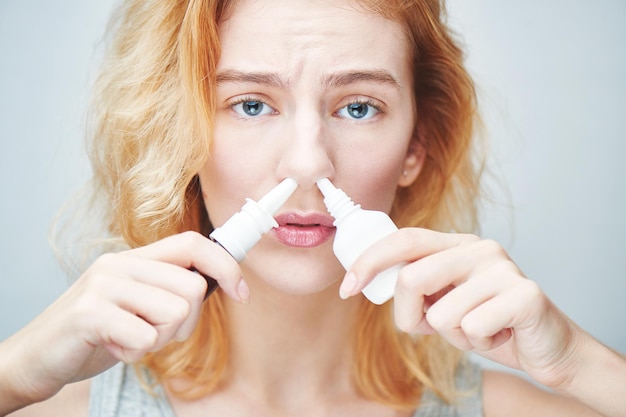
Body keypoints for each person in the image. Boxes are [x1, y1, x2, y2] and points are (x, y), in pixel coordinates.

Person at [1, 0, 624, 415]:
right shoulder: (58, 403)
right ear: (181, 132)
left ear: (416, 146)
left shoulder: (519, 409)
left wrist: (580, 365)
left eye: (358, 107)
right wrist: (16, 373)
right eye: (251, 104)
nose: (306, 164)